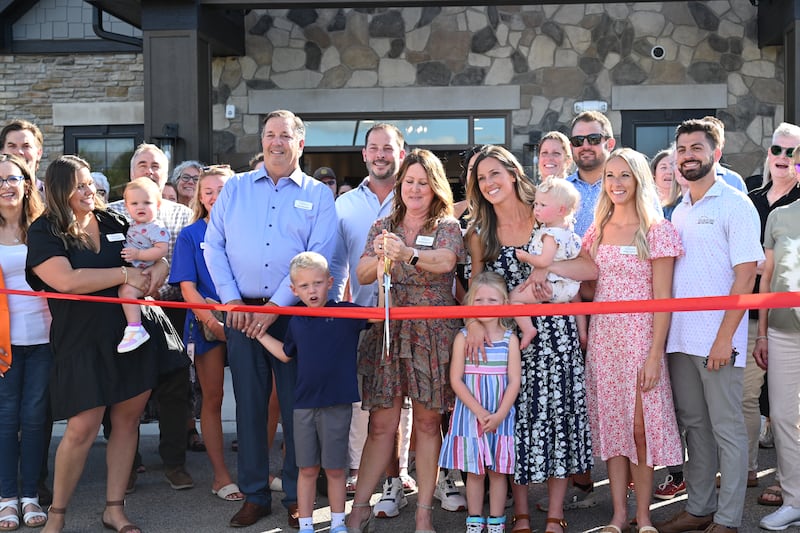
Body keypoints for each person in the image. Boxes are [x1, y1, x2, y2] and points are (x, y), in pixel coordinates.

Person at [26, 155, 183, 533]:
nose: (89, 190)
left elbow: (156, 254)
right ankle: (58, 515)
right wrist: (125, 274)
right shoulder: (45, 230)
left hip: (132, 335)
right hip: (81, 340)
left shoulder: (113, 219)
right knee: (82, 428)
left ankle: (114, 509)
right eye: (79, 185)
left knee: (127, 422)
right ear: (60, 190)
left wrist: (157, 270)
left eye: (90, 184)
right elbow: (67, 281)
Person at [204, 109, 337, 529]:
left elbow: (318, 256)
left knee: (298, 409)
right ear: (261, 141)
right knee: (249, 407)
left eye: (285, 135)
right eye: (269, 135)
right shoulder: (235, 188)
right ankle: (255, 495)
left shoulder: (318, 195)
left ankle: (297, 495)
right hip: (242, 313)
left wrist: (275, 307)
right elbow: (213, 245)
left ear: (301, 143)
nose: (276, 142)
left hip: (295, 314)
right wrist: (231, 301)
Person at [465, 145, 596, 533]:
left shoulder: (547, 212)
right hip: (510, 338)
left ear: (512, 173)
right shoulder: (480, 232)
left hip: (557, 334)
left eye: (495, 173)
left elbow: (588, 267)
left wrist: (546, 270)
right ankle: (520, 513)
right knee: (516, 424)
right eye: (481, 178)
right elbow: (476, 284)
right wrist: (479, 320)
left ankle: (555, 514)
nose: (489, 183)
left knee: (558, 420)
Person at [346, 148, 465, 533]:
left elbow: (446, 262)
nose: (415, 189)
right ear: (400, 186)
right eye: (409, 182)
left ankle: (424, 513)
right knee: (382, 424)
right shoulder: (383, 225)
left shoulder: (447, 225)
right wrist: (381, 256)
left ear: (435, 187)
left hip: (432, 332)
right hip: (391, 331)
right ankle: (359, 508)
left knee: (429, 423)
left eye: (423, 183)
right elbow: (362, 274)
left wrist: (408, 254)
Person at [656, 119, 764, 533]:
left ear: (716, 154)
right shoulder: (679, 209)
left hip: (718, 342)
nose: (688, 156)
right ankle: (699, 509)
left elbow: (746, 275)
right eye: (682, 149)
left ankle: (728, 519)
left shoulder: (735, 204)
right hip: (680, 340)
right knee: (695, 428)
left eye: (696, 148)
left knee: (727, 429)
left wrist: (724, 339)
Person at [582, 148, 684, 532]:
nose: (616, 183)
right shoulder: (596, 230)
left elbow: (664, 299)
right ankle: (618, 517)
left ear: (639, 180)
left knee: (641, 429)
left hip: (641, 339)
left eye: (624, 175)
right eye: (610, 176)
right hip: (604, 341)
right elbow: (586, 283)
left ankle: (644, 517)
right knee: (614, 429)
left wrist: (655, 355)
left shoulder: (657, 231)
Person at [330, 123, 427, 513]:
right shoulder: (344, 205)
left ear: (401, 153)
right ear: (364, 154)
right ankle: (378, 475)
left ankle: (403, 473)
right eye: (374, 148)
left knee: (414, 406)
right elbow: (338, 266)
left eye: (388, 148)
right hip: (364, 317)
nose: (381, 154)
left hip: (413, 319)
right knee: (373, 405)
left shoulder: (416, 196)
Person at [258, 252, 374, 533]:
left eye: (318, 283)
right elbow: (286, 354)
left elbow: (381, 316)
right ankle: (306, 525)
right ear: (294, 290)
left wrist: (384, 280)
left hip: (337, 403)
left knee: (335, 469)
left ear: (330, 282)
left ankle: (337, 523)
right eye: (304, 285)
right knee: (307, 468)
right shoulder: (297, 320)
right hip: (304, 405)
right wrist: (259, 334)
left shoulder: (346, 313)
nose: (312, 290)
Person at [107, 143, 196, 493]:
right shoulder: (111, 212)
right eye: (142, 164)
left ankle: (174, 463)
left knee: (175, 387)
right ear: (132, 171)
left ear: (166, 173)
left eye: (156, 165)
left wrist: (162, 270)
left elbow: (187, 261)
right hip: (124, 313)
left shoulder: (181, 213)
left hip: (170, 310)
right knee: (122, 389)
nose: (149, 170)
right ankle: (126, 466)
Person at [168, 164, 243, 502]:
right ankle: (220, 475)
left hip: (247, 322)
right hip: (205, 324)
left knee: (260, 397)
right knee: (212, 398)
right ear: (199, 197)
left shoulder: (249, 230)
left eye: (221, 190)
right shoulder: (190, 234)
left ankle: (258, 470)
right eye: (208, 191)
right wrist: (212, 323)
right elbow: (187, 288)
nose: (214, 197)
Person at [439, 271, 521, 533]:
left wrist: (499, 415)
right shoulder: (462, 337)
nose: (485, 306)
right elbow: (456, 379)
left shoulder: (510, 340)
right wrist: (479, 411)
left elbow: (514, 381)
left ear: (504, 303)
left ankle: (496, 521)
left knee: (497, 472)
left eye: (492, 300)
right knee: (474, 472)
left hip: (500, 416)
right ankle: (474, 521)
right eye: (479, 300)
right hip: (470, 415)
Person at [746, 122, 800, 508]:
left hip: (788, 319)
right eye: (777, 149)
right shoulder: (749, 199)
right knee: (749, 397)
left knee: (790, 409)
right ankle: (747, 468)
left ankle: (785, 481)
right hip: (751, 316)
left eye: (791, 152)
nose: (782, 157)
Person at [0, 154, 51, 530]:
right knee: (5, 418)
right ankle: (6, 498)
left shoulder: (44, 227)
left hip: (45, 338)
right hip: (4, 342)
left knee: (34, 418)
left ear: (27, 183)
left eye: (12, 179)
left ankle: (30, 495)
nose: (6, 186)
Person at [510, 177, 583, 349]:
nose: (537, 208)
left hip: (552, 285)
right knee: (576, 304)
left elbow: (544, 261)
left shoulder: (550, 235)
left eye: (543, 205)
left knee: (513, 298)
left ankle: (528, 329)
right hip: (569, 287)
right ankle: (583, 332)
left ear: (561, 210)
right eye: (536, 204)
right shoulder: (569, 232)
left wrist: (526, 257)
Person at [116, 178, 169, 353]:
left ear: (158, 205)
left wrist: (139, 254)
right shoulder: (133, 224)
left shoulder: (156, 227)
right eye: (134, 203)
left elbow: (162, 249)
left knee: (126, 292)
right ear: (126, 206)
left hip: (144, 273)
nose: (141, 207)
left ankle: (135, 328)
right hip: (135, 269)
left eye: (147, 203)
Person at [0, 120, 45, 193]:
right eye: (12, 146)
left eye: (26, 146)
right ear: (1, 152)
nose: (19, 152)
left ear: (38, 153)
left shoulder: (52, 197)